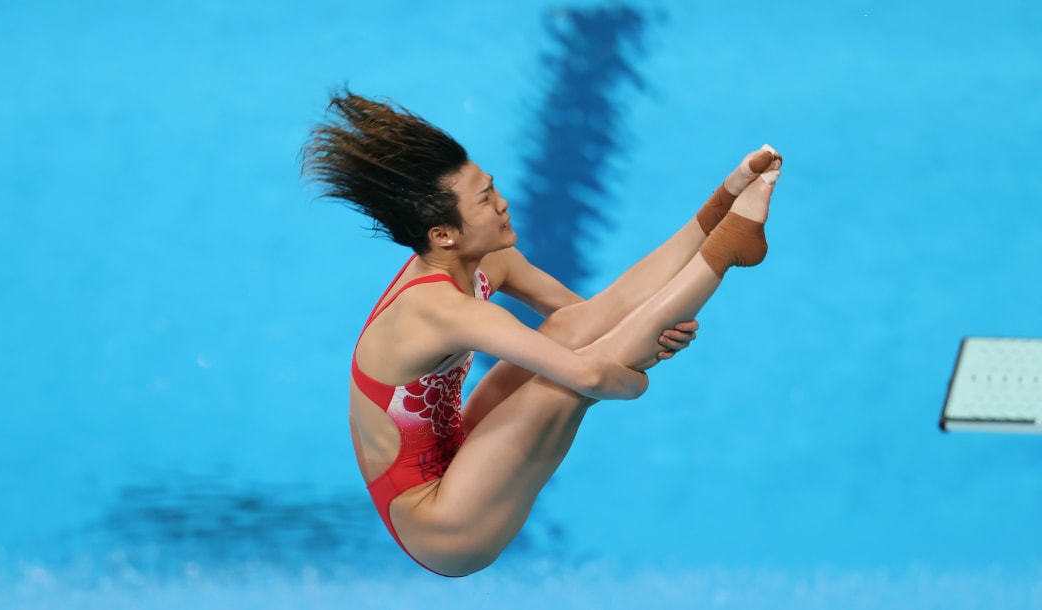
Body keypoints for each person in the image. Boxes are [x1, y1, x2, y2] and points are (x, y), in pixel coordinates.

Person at [301, 91, 782, 577]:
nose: (502, 203)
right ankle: (727, 253)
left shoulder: (486, 260)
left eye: (492, 187)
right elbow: (591, 377)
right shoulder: (437, 309)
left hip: (460, 456)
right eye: (485, 199)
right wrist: (638, 378)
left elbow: (593, 315)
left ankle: (720, 221)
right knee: (560, 386)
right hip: (442, 529)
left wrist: (716, 208)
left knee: (567, 330)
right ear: (443, 234)